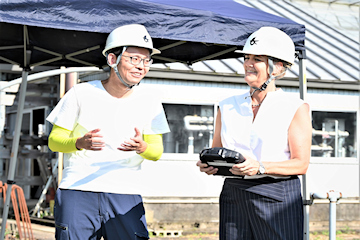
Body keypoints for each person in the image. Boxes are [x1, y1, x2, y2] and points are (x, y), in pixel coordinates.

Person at [46, 24, 170, 240]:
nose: (141, 66)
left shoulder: (150, 101)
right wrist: (79, 142)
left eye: (146, 60)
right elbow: (54, 141)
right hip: (78, 189)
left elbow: (156, 152)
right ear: (112, 59)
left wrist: (143, 147)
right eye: (134, 58)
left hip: (125, 192)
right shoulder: (81, 92)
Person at [196, 26, 312, 240]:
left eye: (257, 58)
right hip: (234, 193)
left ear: (277, 68)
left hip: (277, 194)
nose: (248, 64)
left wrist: (260, 166)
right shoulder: (226, 106)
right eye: (247, 58)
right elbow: (217, 149)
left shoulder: (294, 107)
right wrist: (210, 165)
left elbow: (300, 163)